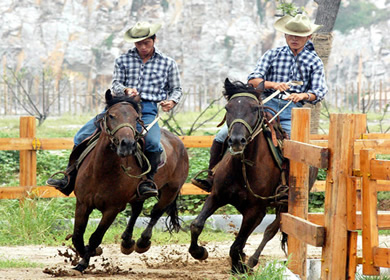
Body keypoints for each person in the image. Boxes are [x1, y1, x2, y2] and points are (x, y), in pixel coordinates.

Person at [192, 14, 328, 192]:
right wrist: (273, 85)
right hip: (263, 107)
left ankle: (288, 187)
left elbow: (319, 91)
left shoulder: (314, 62)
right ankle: (211, 176)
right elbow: (253, 81)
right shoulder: (272, 55)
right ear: (285, 36)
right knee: (221, 135)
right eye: (291, 35)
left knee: (293, 146)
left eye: (299, 35)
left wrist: (302, 96)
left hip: (292, 111)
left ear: (308, 37)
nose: (294, 39)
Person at [47, 21, 182, 199]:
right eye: (138, 43)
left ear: (154, 40)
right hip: (119, 107)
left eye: (146, 43)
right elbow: (116, 84)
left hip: (147, 110)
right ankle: (69, 176)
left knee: (153, 144)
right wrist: (125, 90)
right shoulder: (123, 60)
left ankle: (147, 181)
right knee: (81, 136)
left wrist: (172, 100)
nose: (142, 47)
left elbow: (176, 89)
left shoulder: (168, 63)